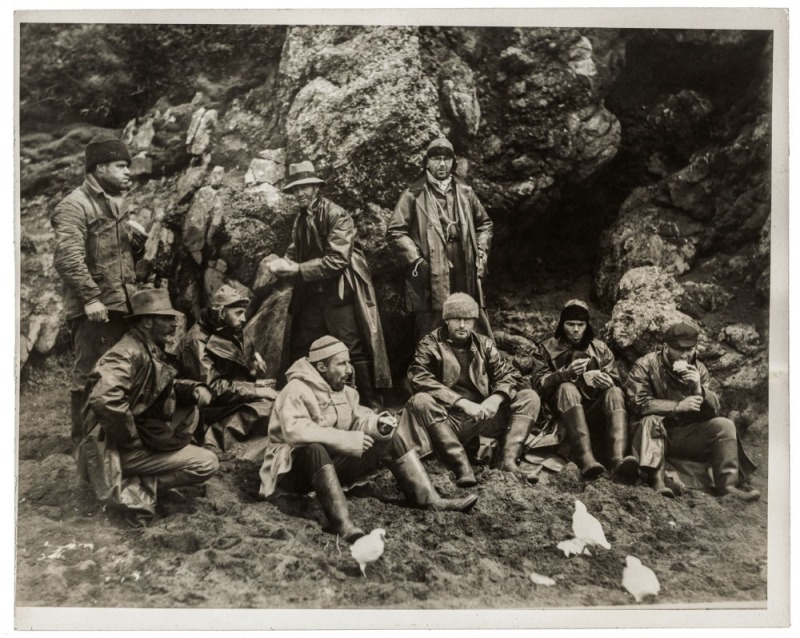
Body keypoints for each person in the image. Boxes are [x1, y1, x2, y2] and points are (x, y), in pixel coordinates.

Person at [259, 336, 477, 543]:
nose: (349, 370)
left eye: (349, 363)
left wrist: (376, 424)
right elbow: (296, 431)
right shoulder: (296, 389)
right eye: (341, 364)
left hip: (330, 468)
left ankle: (430, 500)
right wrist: (349, 439)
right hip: (290, 474)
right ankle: (343, 524)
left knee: (391, 438)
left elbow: (358, 418)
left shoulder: (345, 392)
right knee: (313, 448)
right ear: (321, 367)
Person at [80, 289, 219, 525]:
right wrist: (132, 441)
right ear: (146, 322)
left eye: (173, 319)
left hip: (123, 438)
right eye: (167, 319)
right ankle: (139, 485)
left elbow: (160, 384)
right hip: (110, 448)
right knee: (206, 463)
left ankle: (140, 476)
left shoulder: (145, 347)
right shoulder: (126, 353)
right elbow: (106, 399)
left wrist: (193, 388)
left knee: (189, 408)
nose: (175, 325)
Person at [268, 161, 390, 410]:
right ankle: (310, 402)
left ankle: (372, 405)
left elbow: (337, 260)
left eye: (305, 187)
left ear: (316, 188)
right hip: (313, 295)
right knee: (303, 346)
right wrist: (284, 261)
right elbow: (296, 250)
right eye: (296, 189)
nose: (300, 193)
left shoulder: (336, 214)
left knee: (352, 349)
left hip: (339, 293)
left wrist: (297, 269)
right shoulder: (300, 220)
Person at [51, 132, 148, 444]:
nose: (128, 172)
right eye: (121, 165)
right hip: (94, 308)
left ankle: (111, 442)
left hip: (121, 305)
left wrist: (136, 247)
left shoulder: (116, 204)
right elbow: (68, 258)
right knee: (90, 373)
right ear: (99, 168)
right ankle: (82, 446)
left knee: (119, 374)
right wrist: (91, 298)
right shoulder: (74, 205)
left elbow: (115, 257)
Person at [404, 293, 541, 487]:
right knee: (421, 400)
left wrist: (495, 399)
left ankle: (509, 462)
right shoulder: (429, 344)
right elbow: (420, 377)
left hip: (481, 417)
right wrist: (462, 403)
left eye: (467, 320)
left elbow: (509, 374)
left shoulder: (484, 344)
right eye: (457, 319)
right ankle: (461, 466)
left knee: (529, 397)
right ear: (447, 320)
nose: (462, 325)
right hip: (446, 421)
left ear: (474, 321)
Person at [624, 322, 759, 501]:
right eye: (680, 350)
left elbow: (713, 412)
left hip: (683, 435)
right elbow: (638, 403)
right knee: (652, 421)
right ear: (666, 347)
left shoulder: (699, 369)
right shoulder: (645, 365)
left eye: (690, 350)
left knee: (725, 425)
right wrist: (677, 406)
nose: (686, 355)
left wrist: (698, 389)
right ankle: (657, 482)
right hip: (647, 434)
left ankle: (728, 486)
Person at [386, 137, 493, 340]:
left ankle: (476, 363)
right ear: (427, 162)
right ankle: (432, 366)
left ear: (453, 162)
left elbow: (485, 224)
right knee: (432, 322)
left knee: (468, 312)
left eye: (446, 159)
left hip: (464, 262)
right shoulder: (413, 194)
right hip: (431, 268)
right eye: (436, 159)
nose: (442, 164)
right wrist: (417, 261)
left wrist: (480, 253)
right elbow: (395, 232)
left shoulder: (465, 192)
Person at [531, 299, 638, 481]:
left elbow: (619, 385)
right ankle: (586, 459)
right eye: (570, 324)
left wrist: (609, 381)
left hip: (595, 413)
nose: (575, 329)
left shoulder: (600, 348)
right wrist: (565, 373)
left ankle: (618, 460)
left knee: (615, 392)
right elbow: (538, 386)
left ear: (587, 325)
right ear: (561, 324)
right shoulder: (546, 348)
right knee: (567, 388)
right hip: (561, 417)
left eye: (580, 325)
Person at [177, 285, 277, 456]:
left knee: (279, 398)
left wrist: (254, 367)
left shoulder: (231, 330)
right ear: (221, 313)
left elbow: (242, 362)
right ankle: (213, 442)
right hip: (205, 411)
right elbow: (212, 388)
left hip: (232, 397)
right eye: (238, 313)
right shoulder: (196, 341)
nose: (244, 318)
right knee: (268, 408)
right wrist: (256, 390)